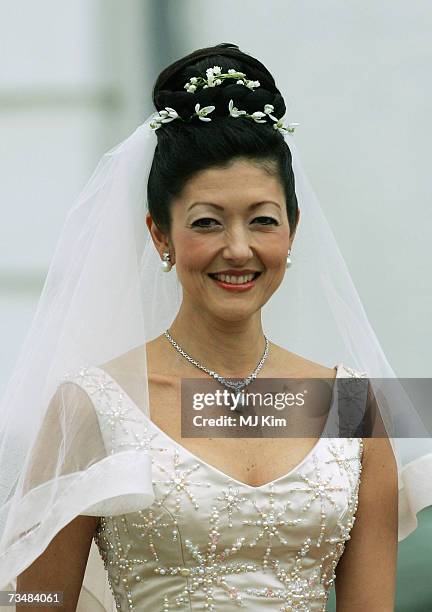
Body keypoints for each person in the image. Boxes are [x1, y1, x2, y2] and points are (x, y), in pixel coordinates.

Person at [1, 43, 429, 611]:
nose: (238, 248)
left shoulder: (351, 408)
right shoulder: (93, 407)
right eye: (207, 222)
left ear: (293, 229)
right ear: (160, 234)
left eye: (262, 221)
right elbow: (39, 603)